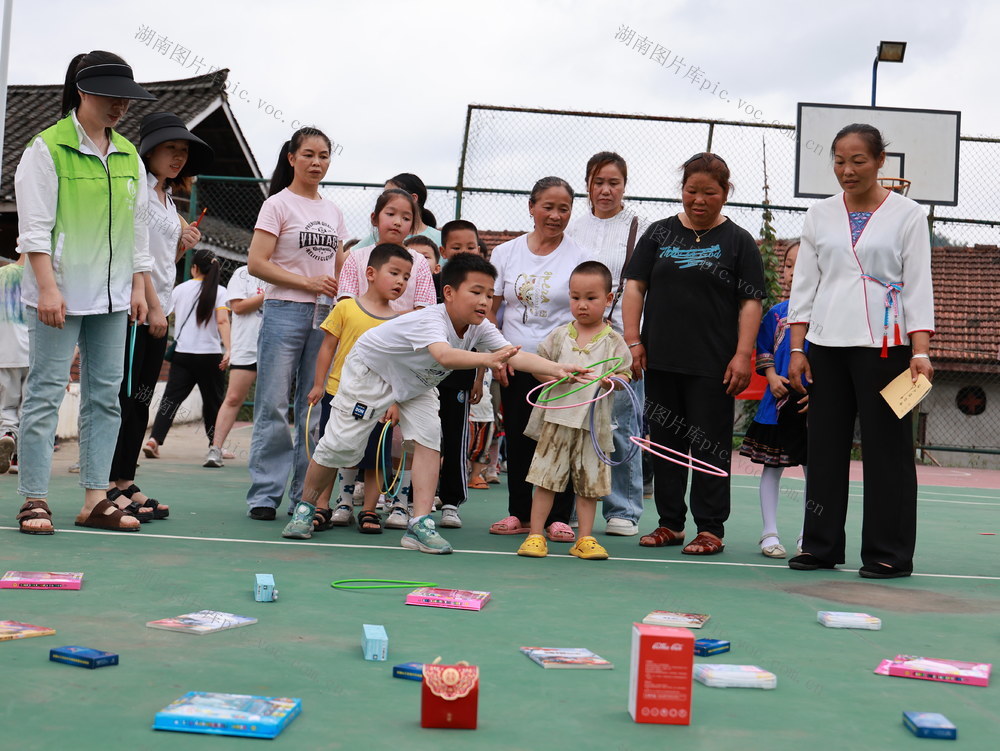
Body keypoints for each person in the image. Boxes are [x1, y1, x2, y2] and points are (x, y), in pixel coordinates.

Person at [288, 251, 585, 554]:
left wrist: (559, 369)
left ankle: (419, 524)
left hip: (417, 382)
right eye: (476, 292)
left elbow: (515, 355)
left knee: (429, 442)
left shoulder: (480, 327)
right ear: (449, 293)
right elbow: (444, 356)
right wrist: (488, 359)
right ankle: (305, 508)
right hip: (372, 373)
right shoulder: (432, 319)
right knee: (341, 446)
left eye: (489, 294)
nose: (484, 301)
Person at [14, 51, 155, 534]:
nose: (121, 107)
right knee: (46, 395)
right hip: (60, 296)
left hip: (113, 299)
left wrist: (139, 285)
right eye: (112, 97)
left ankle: (96, 498)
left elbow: (136, 229)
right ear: (82, 91)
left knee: (105, 398)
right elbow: (33, 231)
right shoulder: (45, 149)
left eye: (126, 100)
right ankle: (34, 497)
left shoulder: (129, 154)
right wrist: (48, 289)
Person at [787, 124, 934, 579]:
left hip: (887, 348)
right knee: (825, 447)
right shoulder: (819, 214)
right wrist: (797, 346)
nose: (847, 170)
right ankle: (819, 544)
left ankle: (888, 552)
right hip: (827, 345)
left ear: (880, 162)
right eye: (838, 161)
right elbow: (804, 283)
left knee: (887, 451)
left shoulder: (909, 215)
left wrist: (921, 352)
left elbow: (919, 284)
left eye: (858, 161)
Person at [623, 152, 765, 555]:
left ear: (726, 193)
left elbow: (750, 302)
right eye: (691, 191)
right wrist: (633, 341)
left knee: (709, 446)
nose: (699, 200)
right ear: (681, 191)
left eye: (710, 192)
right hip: (661, 360)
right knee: (665, 443)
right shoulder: (658, 233)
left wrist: (743, 355)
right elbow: (635, 286)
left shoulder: (738, 242)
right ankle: (670, 524)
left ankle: (710, 529)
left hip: (714, 366)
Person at [108, 112, 211, 520]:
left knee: (142, 398)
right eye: (171, 149)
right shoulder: (137, 192)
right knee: (126, 397)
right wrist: (152, 306)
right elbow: (138, 258)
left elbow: (164, 262)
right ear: (148, 150)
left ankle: (124, 481)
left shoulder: (168, 200)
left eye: (183, 151)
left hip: (158, 311)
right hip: (137, 310)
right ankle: (110, 483)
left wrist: (182, 244)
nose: (178, 158)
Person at [244, 127, 346, 520]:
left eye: (323, 156)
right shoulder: (277, 205)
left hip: (325, 316)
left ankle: (305, 498)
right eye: (308, 155)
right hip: (284, 309)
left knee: (313, 407)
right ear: (291, 158)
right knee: (271, 404)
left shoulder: (333, 211)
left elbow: (340, 267)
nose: (316, 163)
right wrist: (307, 282)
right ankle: (265, 495)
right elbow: (257, 263)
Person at [287, 243, 412, 538]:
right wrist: (319, 384)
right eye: (394, 273)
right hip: (338, 394)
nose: (400, 282)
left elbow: (399, 366)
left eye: (406, 277)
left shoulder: (400, 320)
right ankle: (319, 506)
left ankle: (369, 508)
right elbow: (327, 347)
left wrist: (395, 402)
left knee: (374, 457)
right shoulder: (345, 307)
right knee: (330, 452)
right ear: (370, 273)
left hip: (378, 403)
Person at [488, 177, 590, 542]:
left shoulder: (579, 255)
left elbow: (585, 310)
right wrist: (497, 358)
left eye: (564, 208)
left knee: (560, 440)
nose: (555, 215)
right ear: (531, 207)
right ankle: (519, 513)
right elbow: (492, 311)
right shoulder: (505, 254)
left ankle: (559, 518)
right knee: (518, 438)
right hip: (516, 362)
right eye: (548, 206)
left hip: (562, 368)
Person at [517, 262, 632, 560]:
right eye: (575, 297)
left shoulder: (613, 341)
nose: (582, 305)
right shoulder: (558, 336)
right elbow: (539, 367)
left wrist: (612, 381)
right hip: (557, 419)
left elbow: (626, 376)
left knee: (588, 485)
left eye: (591, 298)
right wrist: (555, 375)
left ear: (609, 299)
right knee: (545, 479)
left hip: (593, 425)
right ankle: (534, 535)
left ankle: (584, 539)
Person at [336, 189, 435, 529]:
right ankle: (344, 498)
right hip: (362, 363)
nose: (397, 221)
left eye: (406, 217)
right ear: (375, 218)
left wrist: (407, 369)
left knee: (397, 437)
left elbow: (425, 317)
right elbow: (346, 309)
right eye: (391, 214)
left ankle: (394, 503)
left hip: (402, 365)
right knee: (351, 428)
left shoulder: (419, 263)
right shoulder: (357, 258)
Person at [566, 151, 650, 536]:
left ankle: (623, 510)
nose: (605, 190)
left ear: (624, 186)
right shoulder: (572, 228)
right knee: (570, 422)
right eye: (598, 182)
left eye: (613, 183)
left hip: (620, 339)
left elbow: (647, 287)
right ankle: (565, 507)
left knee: (620, 425)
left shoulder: (643, 226)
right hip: (577, 341)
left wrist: (635, 341)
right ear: (587, 185)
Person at [738, 241, 808, 558]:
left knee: (816, 472)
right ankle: (769, 533)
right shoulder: (776, 314)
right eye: (789, 265)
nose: (794, 272)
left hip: (810, 407)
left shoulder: (829, 316)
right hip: (775, 408)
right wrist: (771, 377)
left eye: (803, 264)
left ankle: (810, 535)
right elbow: (763, 352)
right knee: (771, 468)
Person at [145, 249, 230, 453]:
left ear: (194, 268)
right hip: (210, 356)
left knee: (170, 400)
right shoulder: (221, 292)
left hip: (183, 354)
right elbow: (222, 320)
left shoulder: (180, 290)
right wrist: (229, 349)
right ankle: (215, 445)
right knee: (213, 402)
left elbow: (165, 313)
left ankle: (154, 440)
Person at [204, 263, 265, 468]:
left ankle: (266, 455)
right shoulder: (243, 273)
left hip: (277, 347)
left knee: (272, 404)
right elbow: (238, 306)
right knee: (233, 397)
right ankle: (216, 448)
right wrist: (272, 292)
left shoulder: (288, 271)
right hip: (247, 347)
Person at [355, 172, 441, 247]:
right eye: (385, 194)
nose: (385, 199)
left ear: (413, 198)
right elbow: (344, 260)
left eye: (392, 193)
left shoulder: (440, 239)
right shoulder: (379, 236)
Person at [0, 252, 29, 475]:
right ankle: (21, 458)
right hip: (35, 354)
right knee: (29, 408)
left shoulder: (2, 275)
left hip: (5, 351)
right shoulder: (44, 278)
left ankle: (7, 435)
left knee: (7, 405)